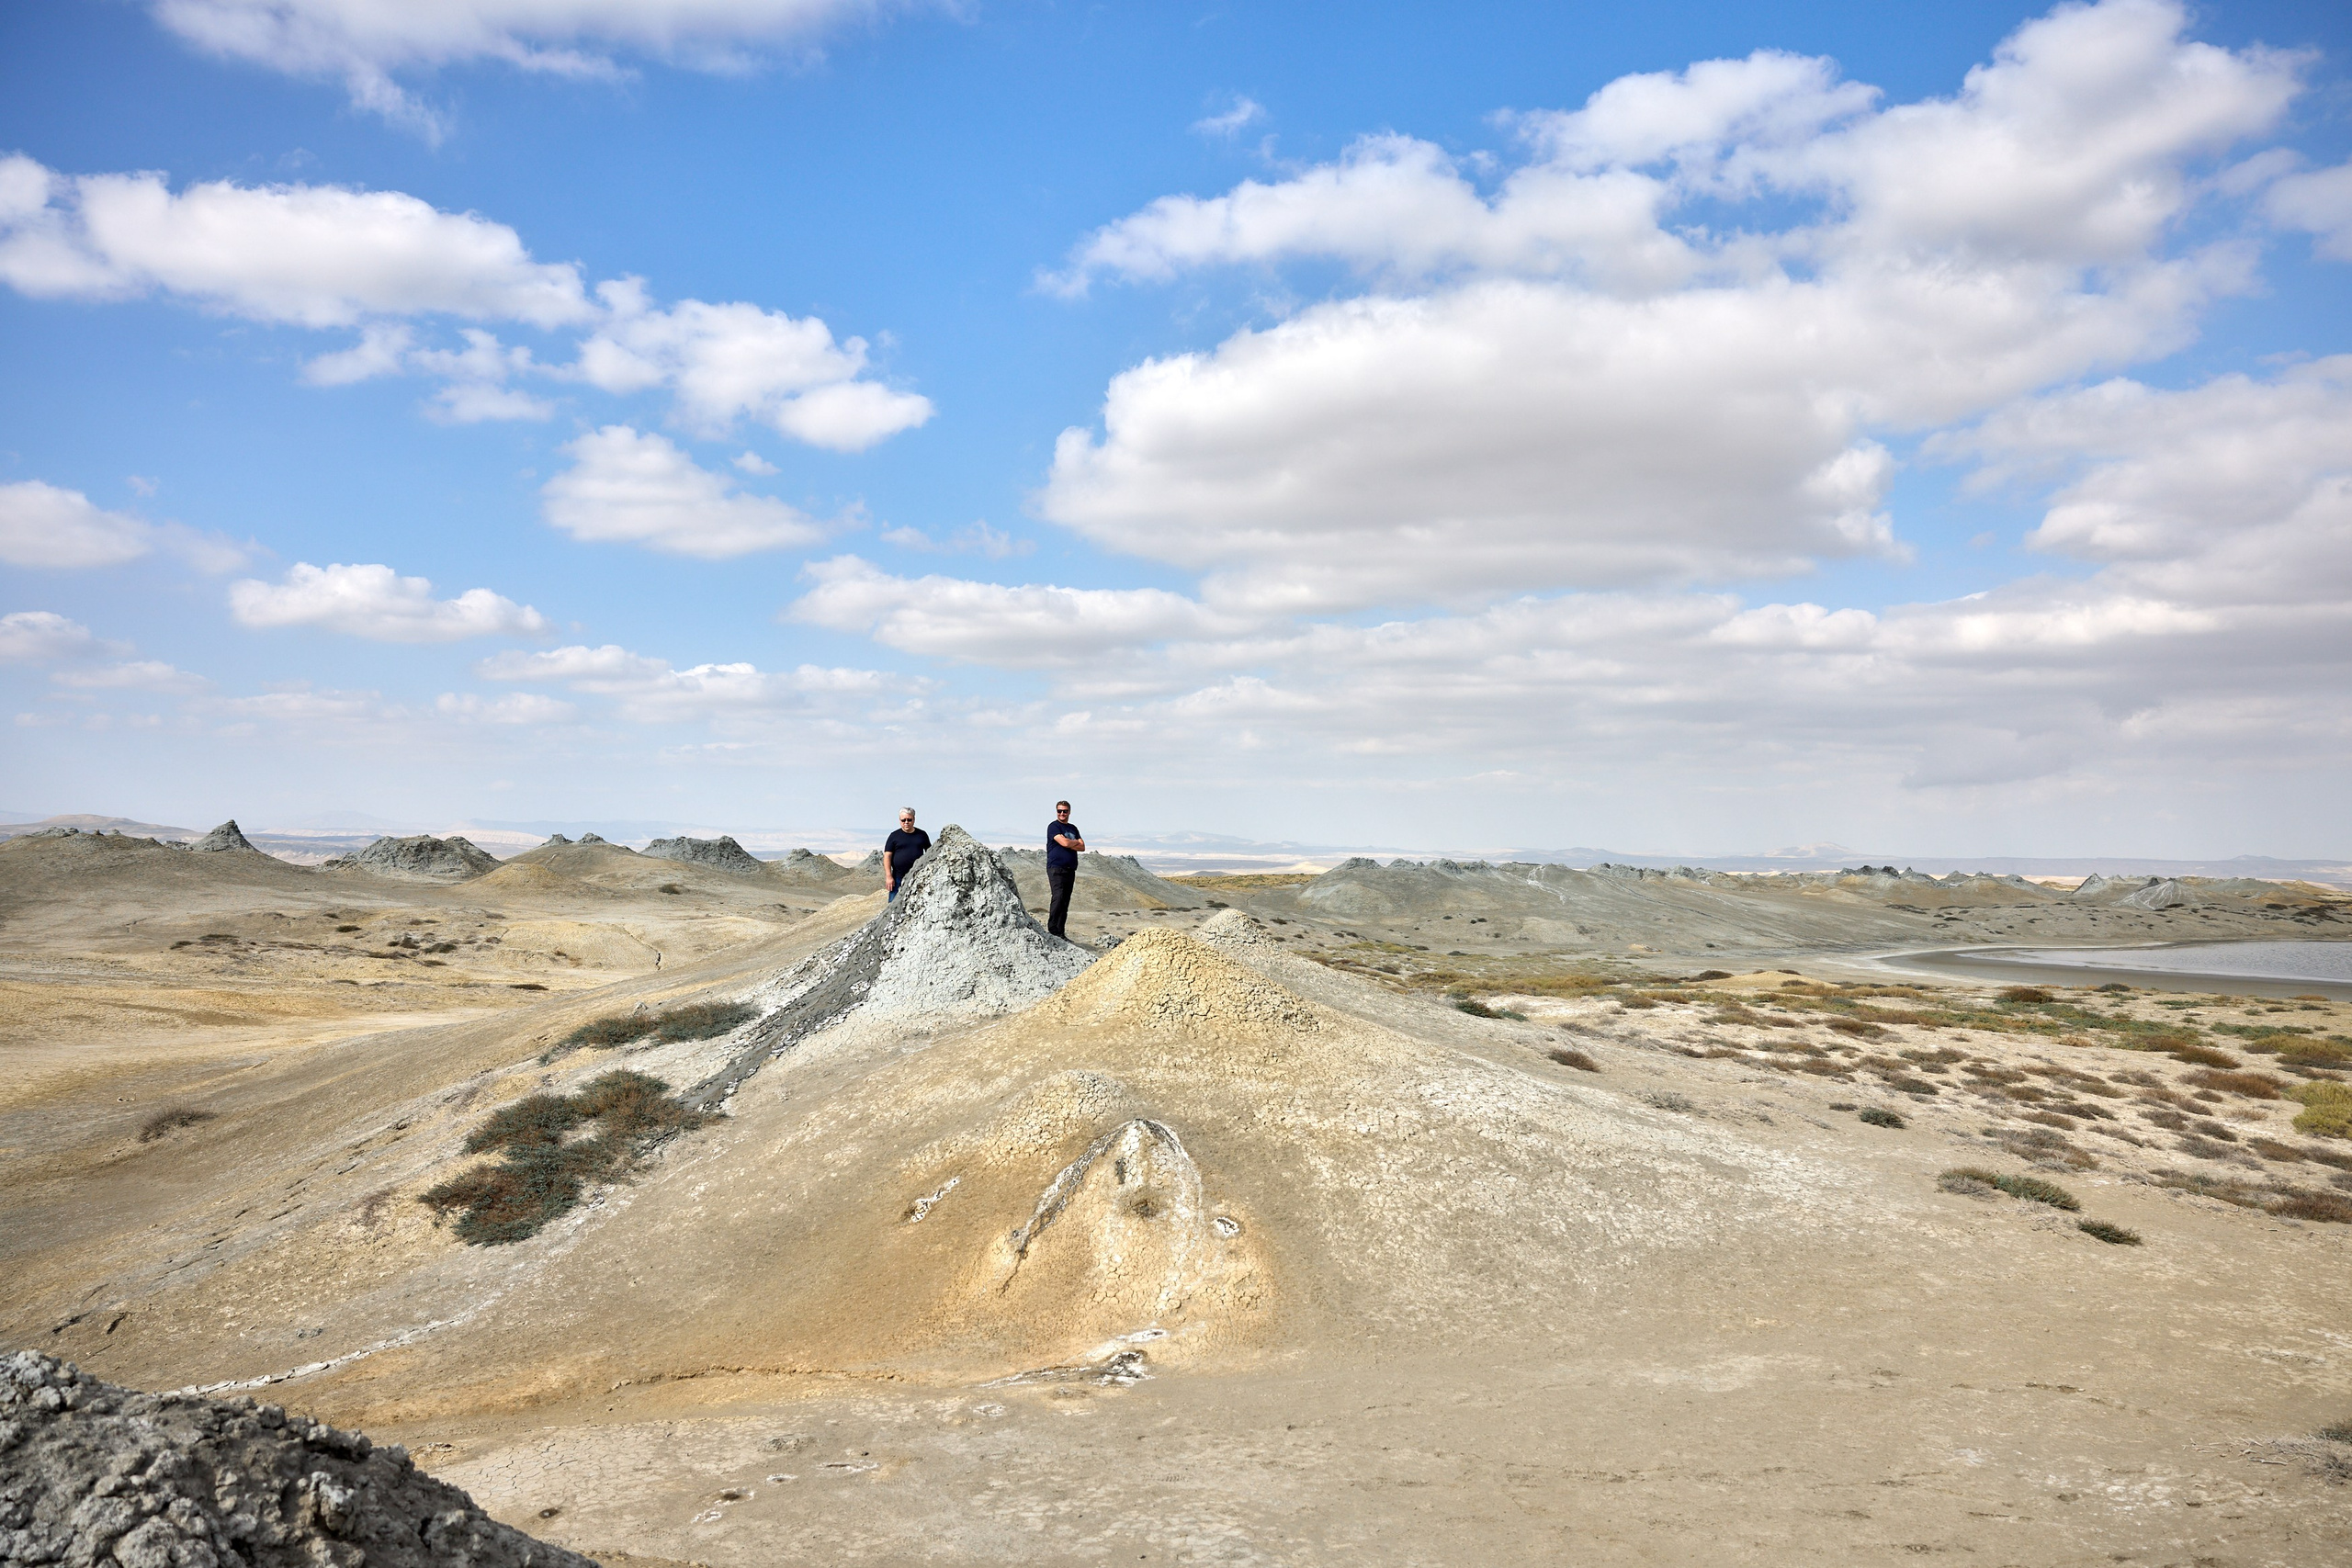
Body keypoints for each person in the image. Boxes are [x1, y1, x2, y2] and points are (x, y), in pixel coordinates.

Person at [1045, 799, 1085, 939]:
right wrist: (1070, 843)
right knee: (1058, 897)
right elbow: (1064, 842)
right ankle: (1053, 931)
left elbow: (1083, 846)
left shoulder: (1073, 828)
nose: (1062, 813)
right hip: (1056, 868)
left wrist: (1069, 843)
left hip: (1070, 869)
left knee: (1065, 901)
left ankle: (1060, 932)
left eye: (1065, 811)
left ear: (1069, 812)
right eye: (1059, 811)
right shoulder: (1053, 826)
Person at [883, 807, 930, 902]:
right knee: (893, 905)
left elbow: (930, 853)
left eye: (909, 819)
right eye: (903, 820)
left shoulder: (922, 835)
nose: (906, 822)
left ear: (914, 819)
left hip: (917, 877)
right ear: (900, 820)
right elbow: (887, 856)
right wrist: (888, 876)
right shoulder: (894, 836)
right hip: (897, 878)